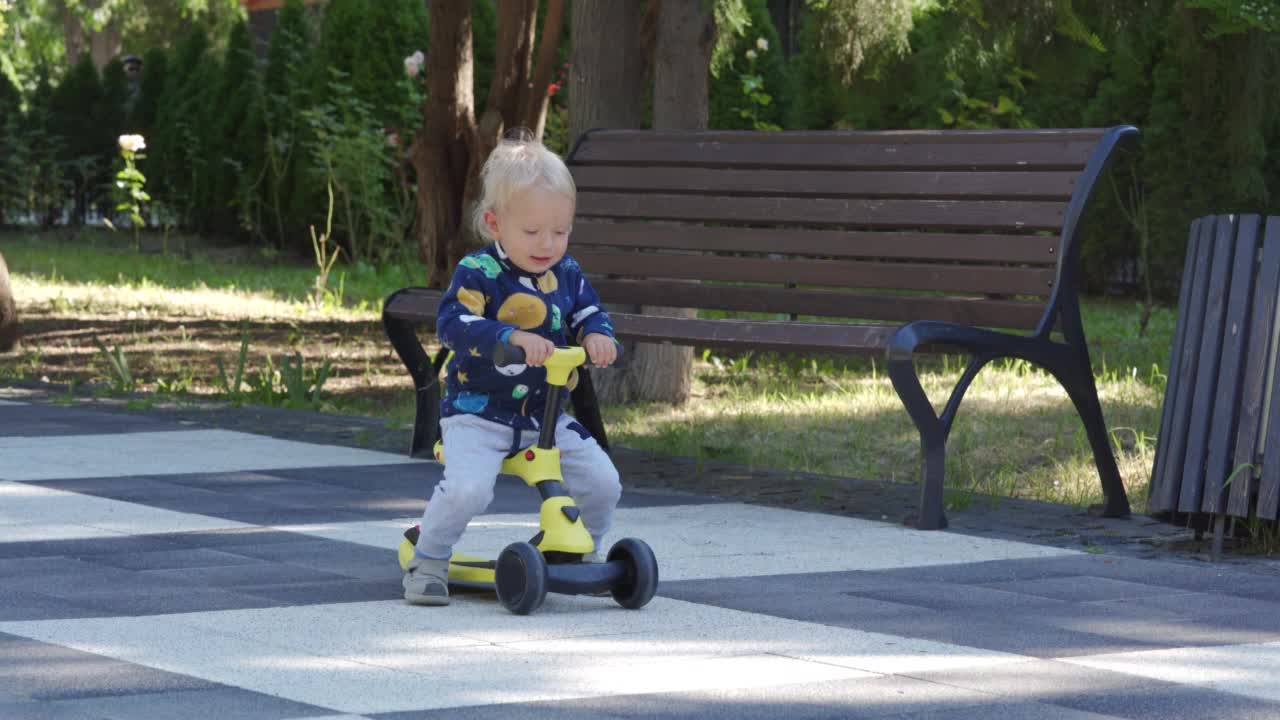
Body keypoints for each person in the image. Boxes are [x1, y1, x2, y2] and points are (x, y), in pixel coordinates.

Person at [403, 134, 622, 606]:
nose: (548, 244)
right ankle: (430, 558)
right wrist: (510, 338)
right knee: (468, 490)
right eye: (532, 232)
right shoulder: (478, 272)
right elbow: (453, 324)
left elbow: (588, 312)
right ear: (494, 223)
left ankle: (583, 552)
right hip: (476, 414)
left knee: (604, 482)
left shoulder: (568, 273)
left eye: (560, 231)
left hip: (545, 416)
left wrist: (598, 336)